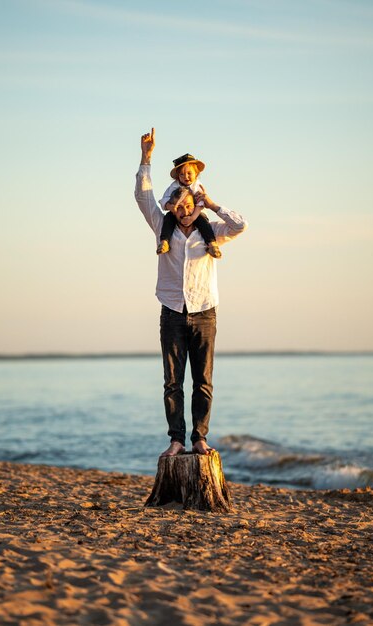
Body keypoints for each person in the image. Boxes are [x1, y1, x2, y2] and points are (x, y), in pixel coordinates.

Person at [135, 128, 248, 457]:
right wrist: (146, 157)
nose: (185, 210)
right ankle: (176, 440)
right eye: (179, 205)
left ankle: (199, 438)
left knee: (203, 381)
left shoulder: (211, 230)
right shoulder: (161, 227)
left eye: (191, 204)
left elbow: (240, 226)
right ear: (173, 207)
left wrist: (212, 204)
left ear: (196, 203)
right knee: (173, 383)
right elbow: (143, 197)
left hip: (204, 314)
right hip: (171, 312)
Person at [157, 153, 222, 259]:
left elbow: (200, 204)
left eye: (189, 173)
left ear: (196, 174)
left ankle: (211, 244)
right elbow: (164, 200)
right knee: (168, 219)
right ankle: (164, 241)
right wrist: (170, 207)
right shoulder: (174, 186)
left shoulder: (197, 186)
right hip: (176, 212)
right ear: (178, 177)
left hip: (196, 212)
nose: (185, 177)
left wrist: (192, 218)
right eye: (182, 174)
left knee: (203, 223)